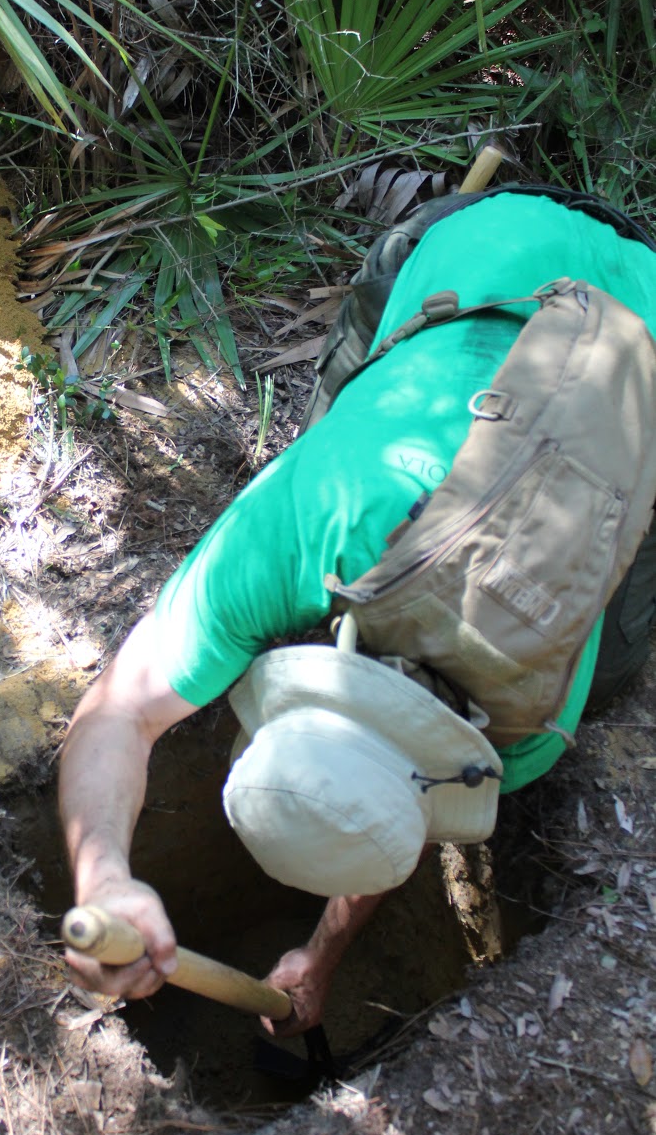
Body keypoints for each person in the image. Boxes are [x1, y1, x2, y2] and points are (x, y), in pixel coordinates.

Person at [59, 188, 656, 1035]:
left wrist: (314, 951)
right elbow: (115, 712)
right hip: (490, 248)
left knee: (619, 654)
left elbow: (400, 813)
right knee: (348, 402)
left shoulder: (537, 723)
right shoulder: (306, 525)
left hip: (593, 303)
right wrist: (103, 880)